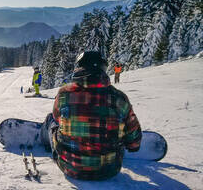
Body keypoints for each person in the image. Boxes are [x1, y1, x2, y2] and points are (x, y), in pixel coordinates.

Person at [40, 51, 142, 180]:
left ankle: (44, 139)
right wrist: (131, 143)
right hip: (110, 170)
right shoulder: (119, 97)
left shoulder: (64, 93)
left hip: (70, 167)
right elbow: (135, 142)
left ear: (79, 67)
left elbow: (57, 118)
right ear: (103, 69)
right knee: (121, 123)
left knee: (51, 119)